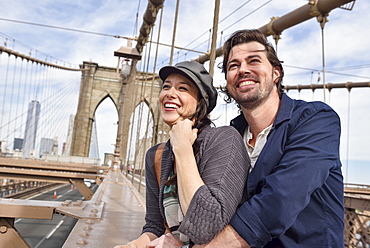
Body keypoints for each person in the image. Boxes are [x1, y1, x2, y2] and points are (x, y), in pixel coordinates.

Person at [149, 29, 344, 248]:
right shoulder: (230, 136)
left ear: (276, 73)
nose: (243, 70)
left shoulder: (315, 121)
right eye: (233, 65)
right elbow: (216, 213)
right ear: (228, 82)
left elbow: (278, 203)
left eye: (254, 61)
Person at [114, 60, 250, 248]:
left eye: (183, 89)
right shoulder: (156, 155)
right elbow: (155, 226)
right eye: (166, 87)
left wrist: (183, 149)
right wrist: (135, 245)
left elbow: (205, 228)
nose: (170, 93)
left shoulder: (224, 140)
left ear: (201, 101)